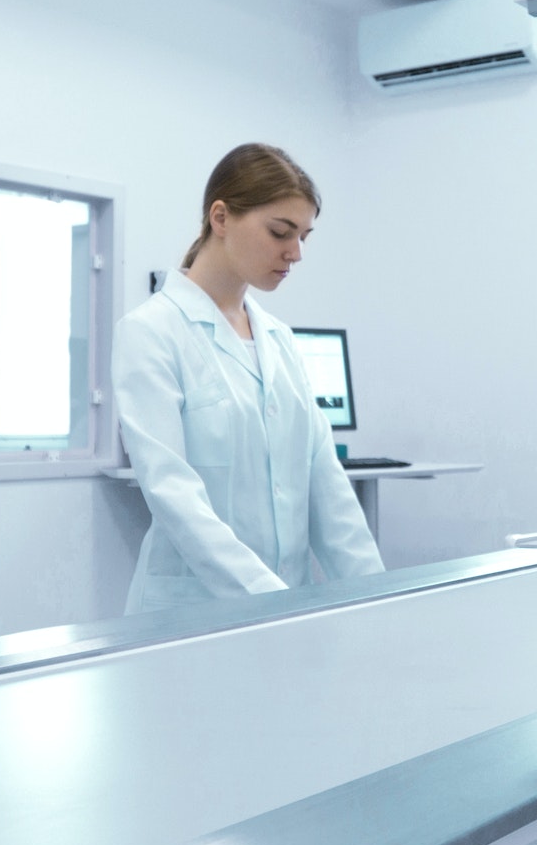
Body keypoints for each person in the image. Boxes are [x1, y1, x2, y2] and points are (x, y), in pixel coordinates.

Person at [115, 143, 385, 613]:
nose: (295, 252)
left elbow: (328, 488)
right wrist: (268, 601)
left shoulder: (280, 341)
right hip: (189, 614)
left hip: (283, 612)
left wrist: (380, 599)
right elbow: (173, 495)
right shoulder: (150, 333)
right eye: (281, 231)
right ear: (221, 218)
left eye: (304, 236)